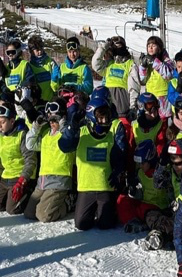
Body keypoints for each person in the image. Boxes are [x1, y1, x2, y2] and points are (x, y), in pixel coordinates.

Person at [59, 97, 127, 230]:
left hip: (105, 187)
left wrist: (118, 171)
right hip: (86, 188)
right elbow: (64, 146)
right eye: (101, 118)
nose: (105, 121)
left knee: (105, 224)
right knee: (81, 225)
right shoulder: (81, 133)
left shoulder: (111, 135)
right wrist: (71, 128)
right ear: (92, 117)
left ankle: (104, 209)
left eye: (107, 117)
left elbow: (119, 157)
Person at [24, 99, 76, 222]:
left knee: (44, 215)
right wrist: (36, 126)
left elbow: (69, 141)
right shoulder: (46, 134)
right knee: (29, 213)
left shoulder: (67, 135)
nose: (52, 123)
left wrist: (63, 125)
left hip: (59, 181)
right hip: (42, 181)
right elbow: (30, 145)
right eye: (50, 120)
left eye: (55, 120)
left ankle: (69, 202)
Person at [0, 102, 37, 215]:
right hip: (5, 178)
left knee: (11, 209)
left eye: (2, 122)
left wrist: (22, 181)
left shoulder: (22, 134)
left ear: (12, 121)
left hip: (19, 178)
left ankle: (30, 193)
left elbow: (30, 160)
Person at [118, 140, 172, 233]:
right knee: (122, 200)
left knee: (146, 210)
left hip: (159, 208)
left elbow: (170, 193)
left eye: (142, 163)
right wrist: (133, 189)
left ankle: (161, 227)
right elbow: (140, 194)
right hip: (144, 206)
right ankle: (137, 222)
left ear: (150, 160)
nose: (140, 166)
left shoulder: (162, 172)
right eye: (139, 163)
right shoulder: (140, 173)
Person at [91, 35, 140, 116]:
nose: (117, 49)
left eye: (119, 46)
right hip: (107, 99)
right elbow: (95, 64)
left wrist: (133, 105)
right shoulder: (109, 63)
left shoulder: (130, 64)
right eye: (115, 46)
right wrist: (104, 47)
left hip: (122, 101)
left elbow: (134, 87)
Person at [137, 36, 174, 119]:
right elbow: (142, 80)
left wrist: (154, 62)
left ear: (159, 48)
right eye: (148, 45)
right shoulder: (147, 60)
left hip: (162, 98)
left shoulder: (166, 61)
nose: (150, 48)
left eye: (153, 45)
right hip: (150, 98)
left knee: (162, 123)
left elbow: (168, 75)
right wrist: (143, 66)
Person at [131, 92, 168, 158]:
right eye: (150, 113)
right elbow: (130, 149)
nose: (153, 115)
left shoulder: (161, 125)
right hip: (138, 164)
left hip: (154, 163)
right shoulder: (134, 126)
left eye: (155, 111)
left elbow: (160, 148)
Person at [27, 35, 58, 104]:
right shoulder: (29, 66)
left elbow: (56, 78)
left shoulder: (50, 62)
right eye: (37, 50)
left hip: (51, 101)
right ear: (31, 51)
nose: (40, 52)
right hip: (37, 102)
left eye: (41, 48)